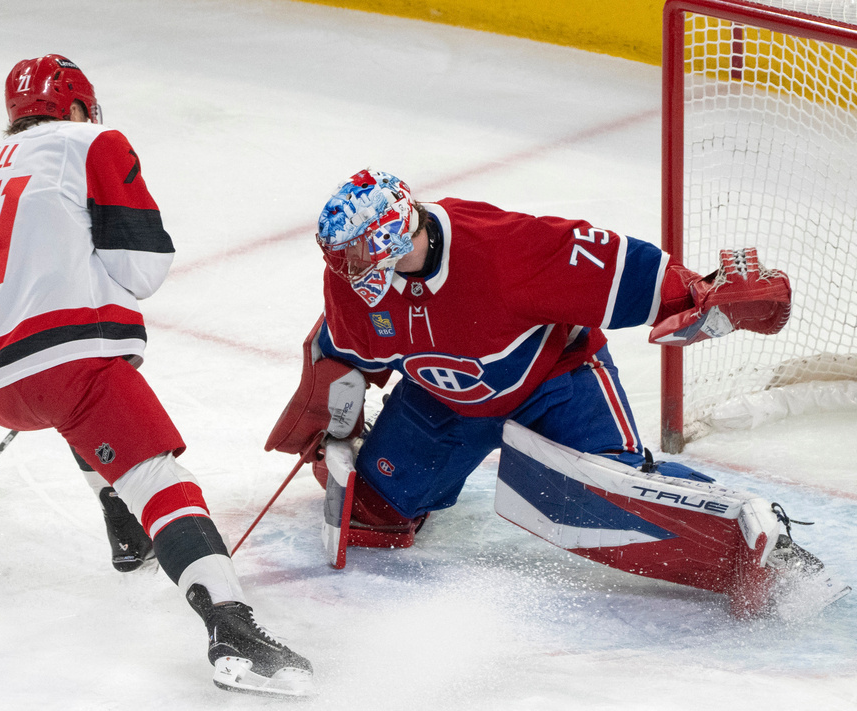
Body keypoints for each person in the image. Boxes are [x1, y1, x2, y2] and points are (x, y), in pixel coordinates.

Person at [266, 168, 850, 617]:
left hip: (556, 382)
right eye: (338, 255)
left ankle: (764, 546)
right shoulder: (352, 281)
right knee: (372, 516)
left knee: (609, 496)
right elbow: (347, 352)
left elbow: (616, 269)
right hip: (442, 400)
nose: (345, 267)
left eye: (356, 251)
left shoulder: (503, 247)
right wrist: (332, 419)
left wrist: (701, 292)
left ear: (393, 233)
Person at [0, 54, 313, 696]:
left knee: (83, 414)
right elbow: (142, 269)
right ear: (77, 107)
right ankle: (231, 627)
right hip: (67, 366)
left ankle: (122, 526)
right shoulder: (93, 141)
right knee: (159, 476)